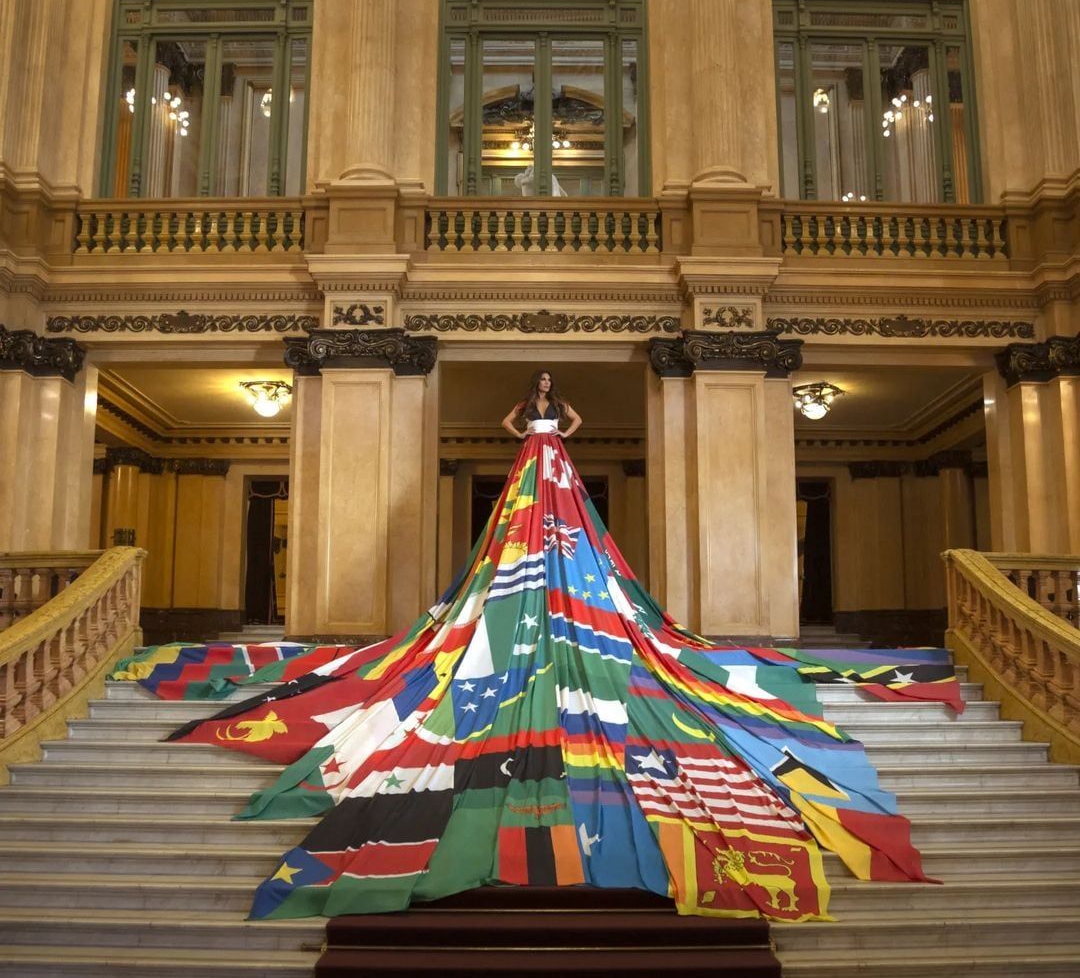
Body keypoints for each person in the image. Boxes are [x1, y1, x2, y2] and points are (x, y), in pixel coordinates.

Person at [173, 372, 932, 923]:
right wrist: (533, 429)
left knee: (568, 521)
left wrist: (559, 428)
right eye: (540, 397)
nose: (541, 398)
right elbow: (519, 421)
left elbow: (566, 418)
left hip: (554, 476)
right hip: (533, 473)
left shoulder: (557, 421)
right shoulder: (527, 419)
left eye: (544, 396)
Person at [500, 369, 582, 441]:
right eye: (543, 379)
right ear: (536, 382)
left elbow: (577, 419)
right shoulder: (526, 403)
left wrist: (565, 434)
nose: (547, 382)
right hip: (533, 443)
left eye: (549, 380)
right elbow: (506, 422)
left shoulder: (558, 402)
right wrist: (519, 435)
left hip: (553, 442)